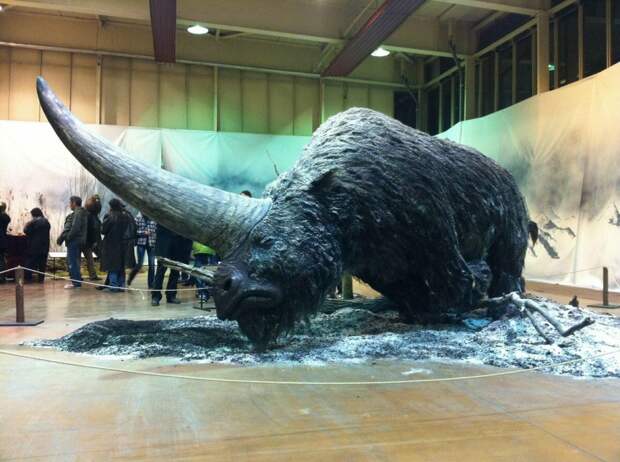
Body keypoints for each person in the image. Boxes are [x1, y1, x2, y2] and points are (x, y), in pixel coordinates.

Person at [100, 198, 135, 292]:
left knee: (112, 267)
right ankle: (121, 286)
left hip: (112, 245)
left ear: (111, 206)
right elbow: (132, 230)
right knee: (121, 266)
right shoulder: (127, 216)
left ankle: (113, 286)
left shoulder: (110, 216)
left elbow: (103, 230)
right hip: (124, 245)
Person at [151, 225, 192, 306]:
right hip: (164, 241)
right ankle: (155, 296)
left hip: (179, 242)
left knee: (175, 271)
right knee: (160, 271)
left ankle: (171, 295)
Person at [57, 196, 88, 289]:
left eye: (70, 203)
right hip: (79, 241)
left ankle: (76, 283)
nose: (69, 205)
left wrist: (68, 237)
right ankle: (77, 281)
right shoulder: (82, 212)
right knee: (75, 262)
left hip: (74, 241)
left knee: (72, 262)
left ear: (74, 203)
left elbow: (75, 227)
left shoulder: (78, 213)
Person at [127, 212, 157, 288]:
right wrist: (144, 233)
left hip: (151, 243)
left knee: (152, 265)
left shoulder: (153, 218)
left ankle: (151, 284)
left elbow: (156, 229)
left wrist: (151, 232)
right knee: (140, 264)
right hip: (141, 243)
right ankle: (130, 278)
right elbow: (134, 231)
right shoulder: (138, 218)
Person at [23, 208, 51, 283]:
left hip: (34, 246)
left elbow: (26, 231)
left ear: (34, 214)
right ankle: (41, 279)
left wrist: (27, 224)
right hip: (44, 246)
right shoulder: (46, 222)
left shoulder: (33, 222)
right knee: (42, 264)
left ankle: (28, 278)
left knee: (30, 263)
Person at [83, 195, 102, 281]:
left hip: (87, 240)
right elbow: (94, 229)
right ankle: (93, 275)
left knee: (89, 258)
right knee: (90, 258)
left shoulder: (89, 215)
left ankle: (92, 275)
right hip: (89, 241)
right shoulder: (93, 216)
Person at [192, 241, 216, 307]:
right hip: (205, 250)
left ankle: (204, 294)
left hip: (205, 250)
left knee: (199, 274)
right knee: (200, 274)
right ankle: (204, 293)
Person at [0, 202, 10, 284]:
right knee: (2, 260)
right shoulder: (6, 217)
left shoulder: (2, 216)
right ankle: (2, 277)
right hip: (3, 241)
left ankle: (1, 277)